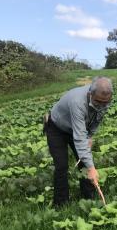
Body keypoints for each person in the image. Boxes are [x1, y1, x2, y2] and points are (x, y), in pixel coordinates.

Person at [44, 76, 113, 208]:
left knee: (84, 163)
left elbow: (97, 119)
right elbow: (79, 137)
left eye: (105, 103)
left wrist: (90, 136)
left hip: (75, 128)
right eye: (98, 102)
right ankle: (61, 204)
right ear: (90, 94)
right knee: (62, 165)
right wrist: (92, 169)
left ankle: (89, 198)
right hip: (56, 128)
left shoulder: (104, 100)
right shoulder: (77, 102)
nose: (102, 105)